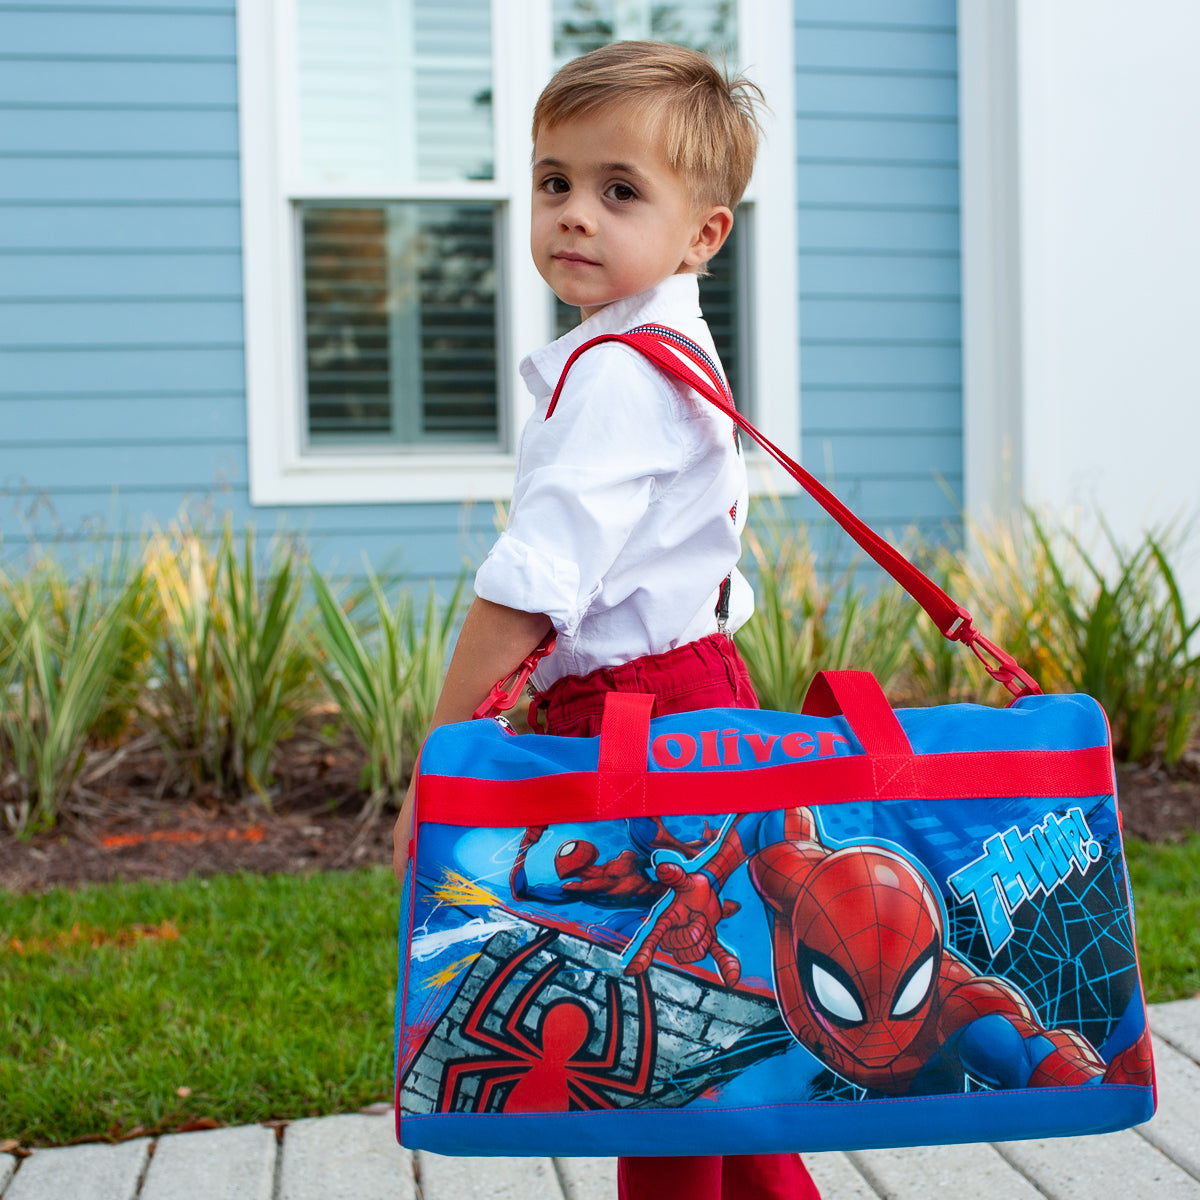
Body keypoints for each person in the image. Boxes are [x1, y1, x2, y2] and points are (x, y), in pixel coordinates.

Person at [393, 40, 820, 1200]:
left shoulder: (621, 376)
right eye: (553, 181)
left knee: (655, 1053)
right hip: (695, 698)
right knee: (707, 1037)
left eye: (618, 190)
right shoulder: (666, 351)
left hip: (646, 719)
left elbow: (529, 590)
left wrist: (443, 767)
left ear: (703, 234)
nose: (574, 214)